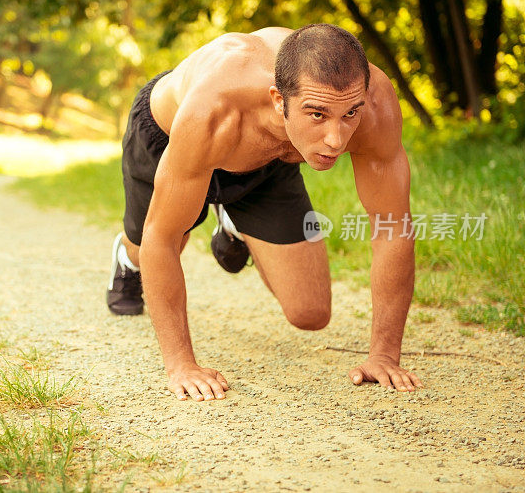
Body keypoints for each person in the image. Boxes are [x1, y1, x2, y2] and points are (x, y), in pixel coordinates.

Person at [106, 23, 424, 401]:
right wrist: (182, 366)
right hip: (170, 138)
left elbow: (392, 227)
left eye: (349, 114)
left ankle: (235, 223)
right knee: (157, 242)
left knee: (311, 312)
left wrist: (384, 356)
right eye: (318, 115)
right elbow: (163, 237)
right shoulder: (214, 108)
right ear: (278, 100)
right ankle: (126, 259)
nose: (337, 140)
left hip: (270, 155)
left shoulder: (372, 104)